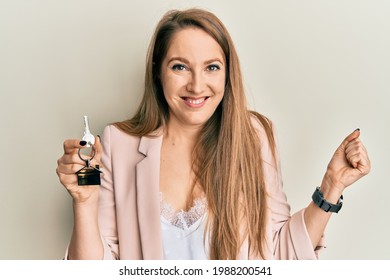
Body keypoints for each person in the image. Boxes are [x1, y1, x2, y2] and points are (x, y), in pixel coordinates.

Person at [56, 8, 370, 260]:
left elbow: (280, 254)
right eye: (179, 67)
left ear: (227, 72)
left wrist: (332, 187)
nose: (196, 85)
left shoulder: (255, 135)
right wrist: (84, 203)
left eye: (212, 67)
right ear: (157, 70)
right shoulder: (118, 143)